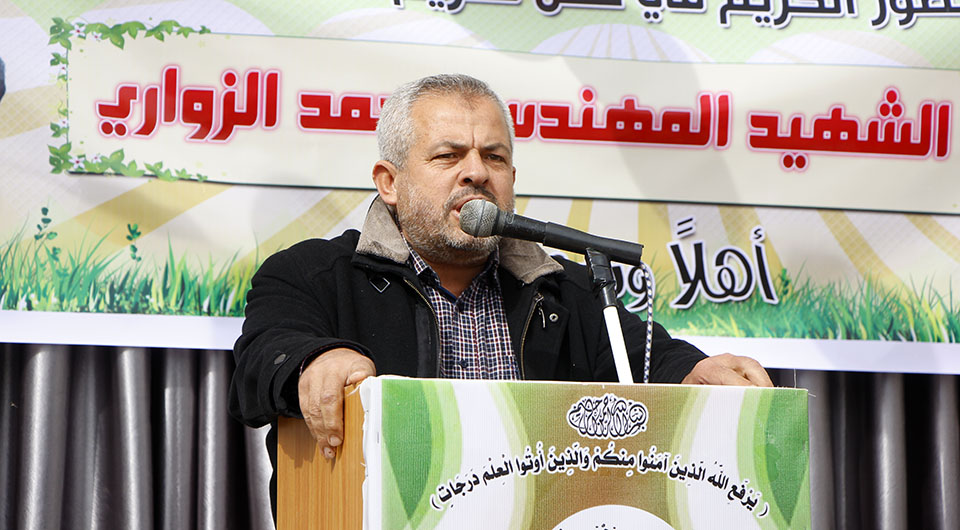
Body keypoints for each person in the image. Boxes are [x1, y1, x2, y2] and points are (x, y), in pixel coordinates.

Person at [228, 73, 772, 507]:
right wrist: (314, 362)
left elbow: (648, 359)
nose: (477, 173)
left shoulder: (565, 288)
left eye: (494, 157)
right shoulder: (311, 273)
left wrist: (693, 373)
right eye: (448, 156)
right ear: (390, 182)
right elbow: (261, 361)